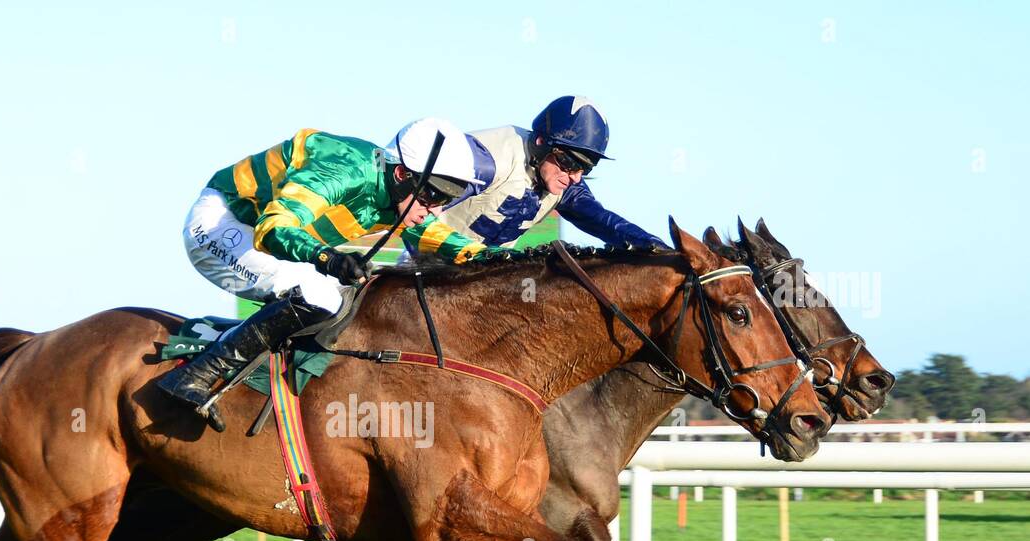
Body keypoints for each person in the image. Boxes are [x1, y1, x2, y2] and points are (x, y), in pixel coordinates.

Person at [158, 118, 486, 431]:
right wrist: (327, 257)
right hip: (221, 225)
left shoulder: (399, 193)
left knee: (349, 299)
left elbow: (435, 236)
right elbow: (274, 229)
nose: (437, 209)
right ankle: (198, 374)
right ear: (402, 173)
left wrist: (496, 259)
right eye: (434, 195)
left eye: (447, 199)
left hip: (260, 238)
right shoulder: (344, 169)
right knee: (321, 296)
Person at [405, 95, 667, 253]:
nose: (575, 177)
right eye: (569, 162)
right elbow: (412, 215)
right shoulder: (488, 160)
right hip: (423, 265)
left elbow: (607, 225)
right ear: (541, 142)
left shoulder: (564, 182)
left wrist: (660, 250)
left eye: (585, 168)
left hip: (480, 281)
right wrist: (467, 255)